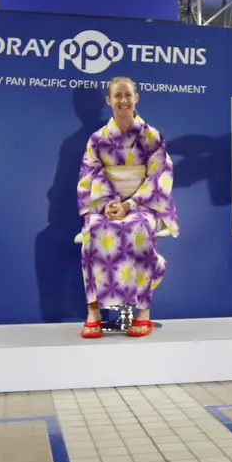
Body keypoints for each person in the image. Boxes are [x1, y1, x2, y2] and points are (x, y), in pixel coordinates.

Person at [78, 77, 178, 339]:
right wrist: (109, 203)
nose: (123, 101)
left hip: (143, 204)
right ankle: (93, 313)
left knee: (138, 228)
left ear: (136, 98)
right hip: (108, 204)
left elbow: (159, 176)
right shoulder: (97, 139)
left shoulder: (151, 136)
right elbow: (90, 174)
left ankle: (143, 312)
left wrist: (130, 204)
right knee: (93, 230)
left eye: (128, 95)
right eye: (117, 96)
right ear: (108, 101)